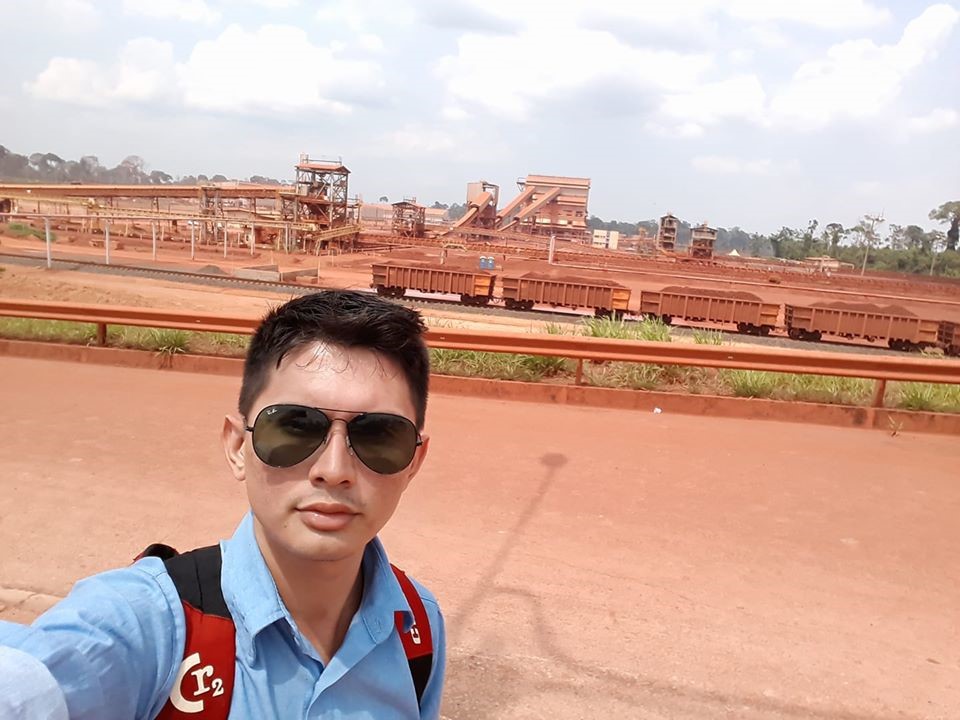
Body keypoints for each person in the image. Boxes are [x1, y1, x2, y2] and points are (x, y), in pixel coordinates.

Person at [0, 290, 445, 719]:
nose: (333, 470)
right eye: (294, 427)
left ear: (414, 462)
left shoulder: (418, 629)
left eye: (379, 435)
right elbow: (36, 683)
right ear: (237, 447)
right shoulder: (154, 624)